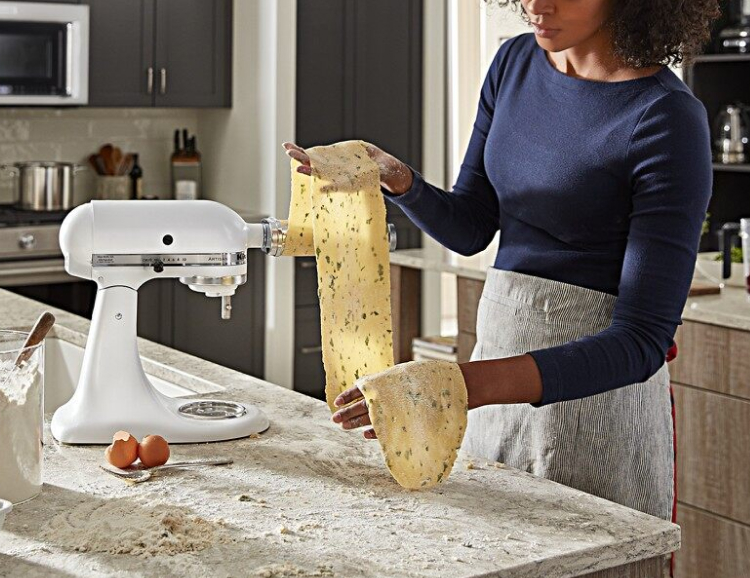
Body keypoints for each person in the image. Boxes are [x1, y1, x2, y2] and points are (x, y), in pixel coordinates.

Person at [286, 0, 719, 574]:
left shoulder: (667, 118)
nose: (536, 5)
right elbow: (470, 226)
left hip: (594, 403)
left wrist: (457, 385)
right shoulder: (515, 63)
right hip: (492, 373)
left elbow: (640, 342)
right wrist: (399, 179)